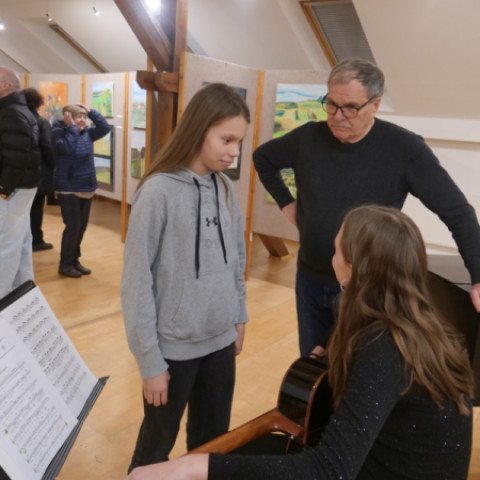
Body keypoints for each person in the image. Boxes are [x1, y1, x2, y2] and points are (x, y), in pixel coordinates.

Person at [125, 205, 474, 480]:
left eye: (336, 249)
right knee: (262, 448)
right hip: (389, 462)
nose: (331, 255)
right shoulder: (423, 323)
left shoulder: (382, 348)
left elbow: (329, 470)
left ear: (353, 269)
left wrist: (193, 466)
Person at [253, 58, 480, 356]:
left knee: (357, 370)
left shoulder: (405, 149)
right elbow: (263, 158)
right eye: (331, 104)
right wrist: (287, 204)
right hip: (310, 280)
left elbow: (458, 213)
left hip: (368, 294)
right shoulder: (307, 137)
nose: (337, 116)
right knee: (312, 367)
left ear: (375, 104)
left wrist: (478, 275)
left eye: (350, 108)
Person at [121, 83, 250, 471]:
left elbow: (237, 259)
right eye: (227, 139)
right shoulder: (157, 192)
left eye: (239, 142)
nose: (235, 152)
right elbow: (136, 282)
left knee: (212, 445)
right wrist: (150, 362)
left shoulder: (224, 187)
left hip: (221, 342)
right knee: (154, 449)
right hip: (172, 352)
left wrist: (238, 315)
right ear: (198, 130)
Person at [52, 103, 110, 278]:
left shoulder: (87, 133)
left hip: (86, 186)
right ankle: (65, 264)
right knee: (73, 226)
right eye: (79, 116)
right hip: (68, 188)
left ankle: (74, 260)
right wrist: (72, 128)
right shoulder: (58, 131)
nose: (83, 120)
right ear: (69, 117)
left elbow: (104, 128)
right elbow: (67, 148)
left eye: (84, 117)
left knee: (81, 227)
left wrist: (91, 112)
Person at [0, 67, 41, 299]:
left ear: (4, 85)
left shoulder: (11, 113)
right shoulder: (17, 109)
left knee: (6, 242)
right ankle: (24, 290)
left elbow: (17, 155)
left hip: (13, 189)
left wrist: (4, 189)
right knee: (20, 239)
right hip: (21, 187)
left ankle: (3, 295)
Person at [22, 87, 55, 252]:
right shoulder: (41, 122)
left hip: (21, 173)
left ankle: (24, 240)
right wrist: (54, 164)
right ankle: (36, 240)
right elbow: (48, 147)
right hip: (39, 172)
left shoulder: (18, 119)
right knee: (36, 208)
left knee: (22, 208)